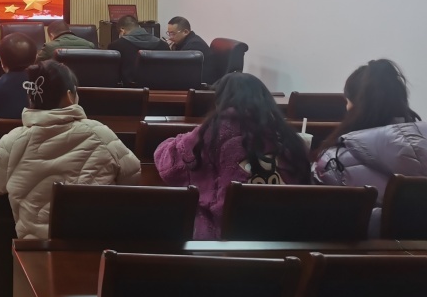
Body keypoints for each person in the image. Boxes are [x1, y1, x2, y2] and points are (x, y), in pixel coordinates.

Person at [0, 60, 141, 239]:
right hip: (94, 241)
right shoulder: (100, 133)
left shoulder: (14, 140)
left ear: (31, 98)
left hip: (37, 244)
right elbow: (132, 176)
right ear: (70, 96)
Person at [155, 72, 311, 239]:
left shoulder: (216, 128)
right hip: (285, 231)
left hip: (228, 234)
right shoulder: (284, 133)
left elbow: (170, 166)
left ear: (220, 99)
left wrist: (183, 137)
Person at [312, 59, 427, 236]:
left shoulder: (333, 161)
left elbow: (324, 223)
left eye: (347, 101)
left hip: (364, 252)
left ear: (354, 106)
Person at [109, 14, 169, 85]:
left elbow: (112, 76)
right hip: (159, 89)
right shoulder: (163, 45)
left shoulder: (116, 46)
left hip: (129, 90)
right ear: (139, 27)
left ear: (122, 30)